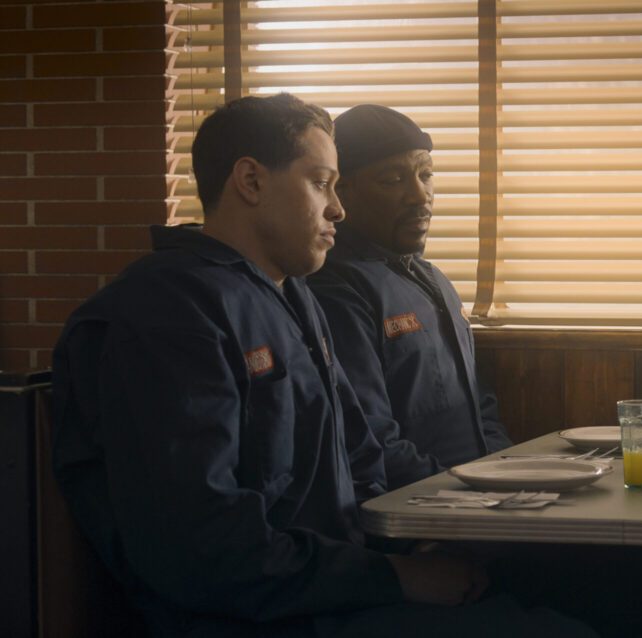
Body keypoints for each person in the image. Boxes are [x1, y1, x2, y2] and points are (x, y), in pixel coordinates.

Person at [51, 93, 593, 638]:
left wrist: (411, 542)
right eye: (321, 183)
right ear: (251, 181)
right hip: (264, 616)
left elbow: (361, 458)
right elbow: (200, 546)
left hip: (345, 587)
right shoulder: (167, 313)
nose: (338, 208)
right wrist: (392, 575)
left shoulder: (290, 294)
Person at [307, 104, 509, 488]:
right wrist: (466, 493)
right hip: (419, 510)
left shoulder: (433, 279)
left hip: (484, 496)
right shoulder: (334, 289)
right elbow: (372, 442)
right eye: (392, 180)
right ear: (341, 191)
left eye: (426, 175)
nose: (420, 196)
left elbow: (482, 409)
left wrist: (513, 476)